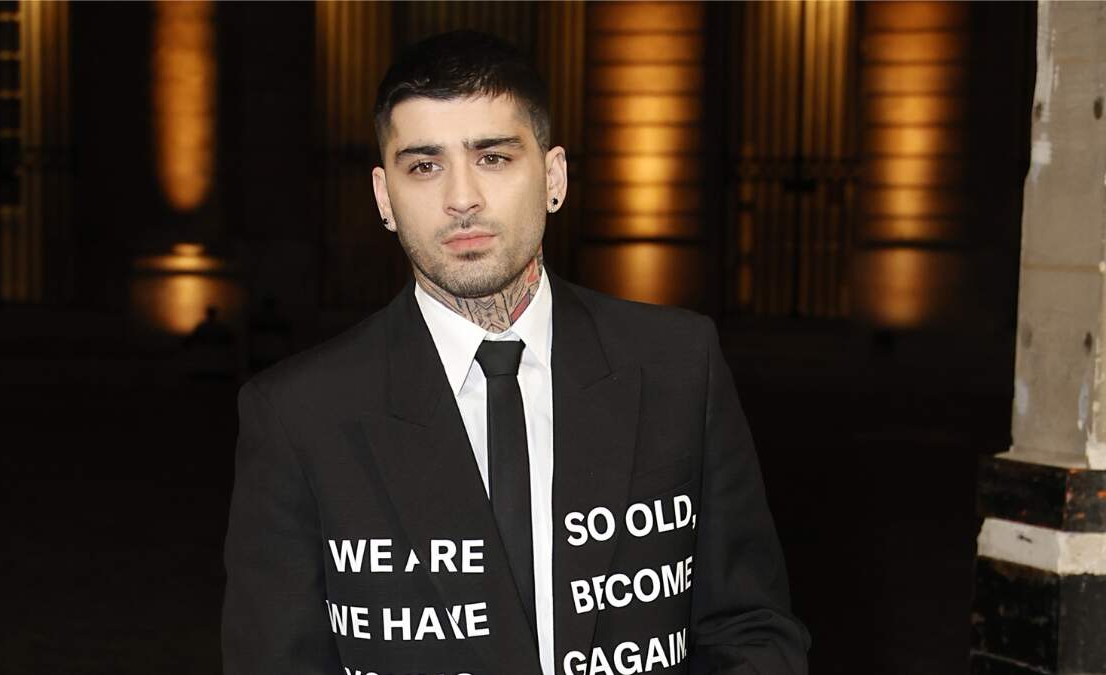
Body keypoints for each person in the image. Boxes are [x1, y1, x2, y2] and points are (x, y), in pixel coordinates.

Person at [223, 30, 810, 675]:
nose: (461, 198)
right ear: (384, 197)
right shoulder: (299, 414)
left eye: (494, 157)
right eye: (424, 166)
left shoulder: (678, 365)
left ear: (554, 177)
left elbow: (751, 629)